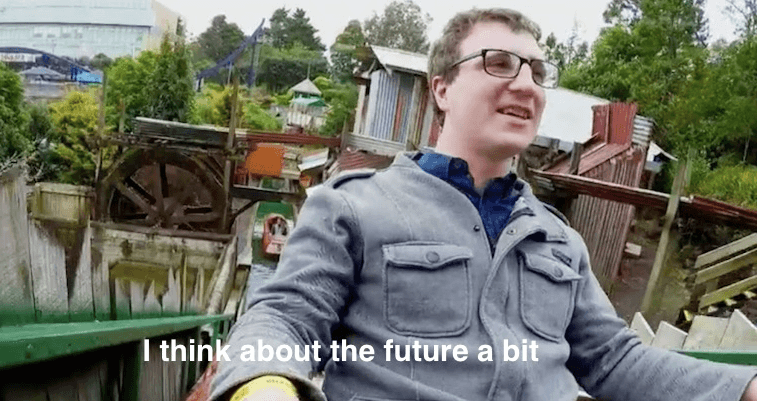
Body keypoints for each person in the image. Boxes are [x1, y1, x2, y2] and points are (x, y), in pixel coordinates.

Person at [211, 8, 757, 401]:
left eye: (538, 72)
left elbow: (614, 359)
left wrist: (744, 386)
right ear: (442, 89)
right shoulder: (352, 208)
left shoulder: (560, 240)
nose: (527, 85)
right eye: (500, 63)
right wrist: (265, 384)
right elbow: (284, 317)